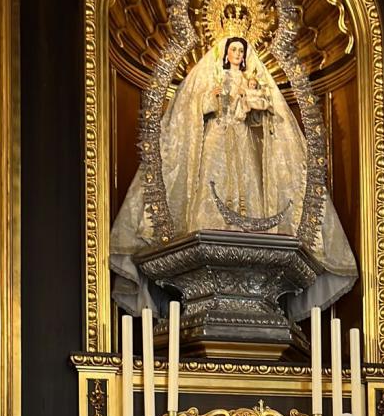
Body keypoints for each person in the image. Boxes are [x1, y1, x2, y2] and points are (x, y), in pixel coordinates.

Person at [110, 35, 357, 320]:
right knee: (212, 178)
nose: (238, 54)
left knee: (247, 180)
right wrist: (214, 98)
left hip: (241, 139)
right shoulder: (216, 77)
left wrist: (255, 104)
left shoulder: (251, 80)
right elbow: (199, 109)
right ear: (226, 54)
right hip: (217, 136)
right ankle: (212, 223)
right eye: (234, 50)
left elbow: (260, 116)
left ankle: (247, 228)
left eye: (241, 50)